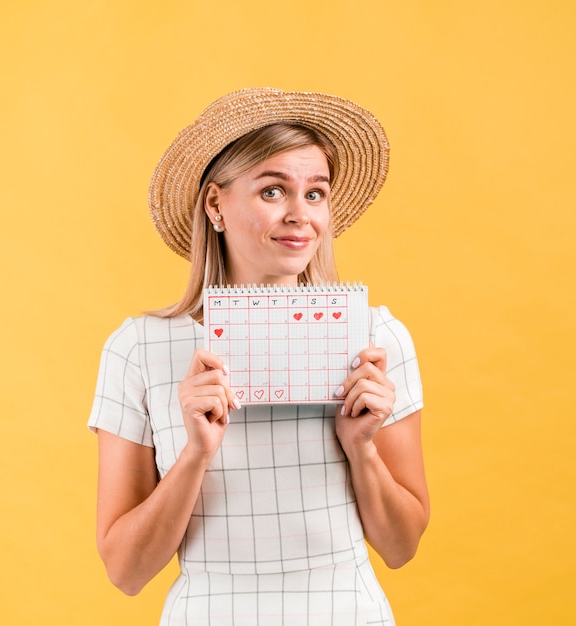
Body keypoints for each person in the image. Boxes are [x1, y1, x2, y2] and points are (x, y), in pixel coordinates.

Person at [88, 88, 429, 625]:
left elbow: (401, 547)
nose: (300, 215)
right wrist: (196, 452)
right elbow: (126, 571)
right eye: (273, 191)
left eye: (315, 194)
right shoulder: (138, 348)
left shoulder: (376, 339)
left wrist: (361, 447)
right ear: (215, 205)